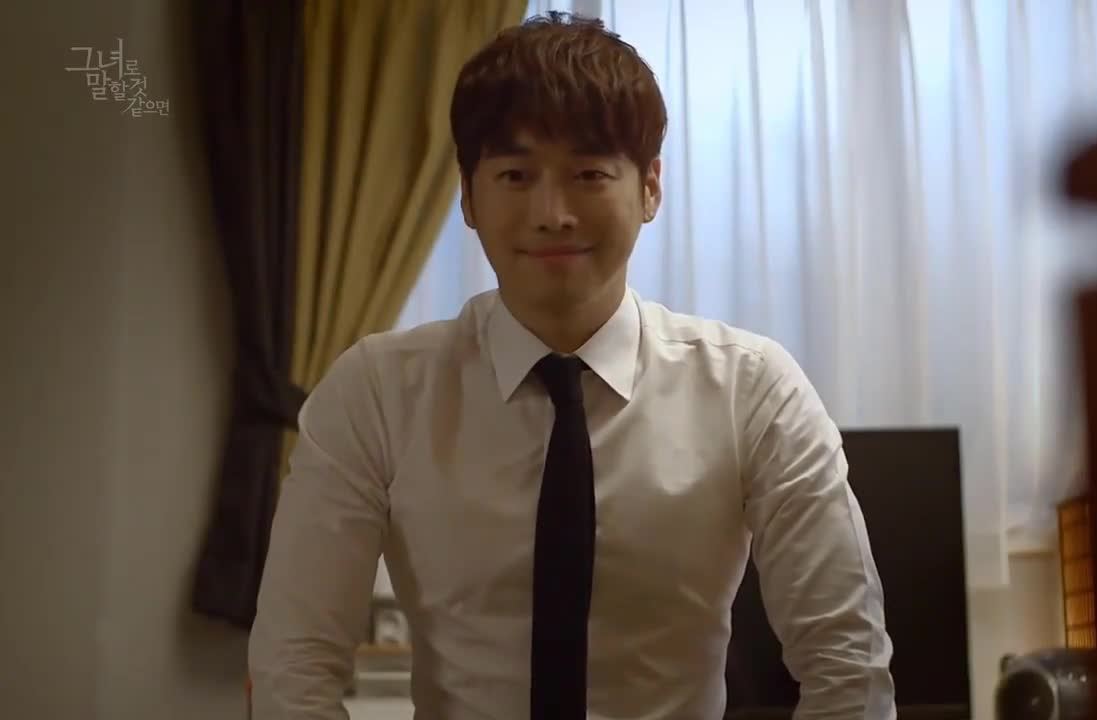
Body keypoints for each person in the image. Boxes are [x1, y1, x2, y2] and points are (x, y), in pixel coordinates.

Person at [248, 11, 895, 720]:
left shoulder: (752, 390)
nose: (552, 213)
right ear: (467, 195)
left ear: (650, 187)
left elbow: (848, 665)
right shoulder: (377, 393)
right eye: (515, 175)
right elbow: (292, 667)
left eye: (589, 174)